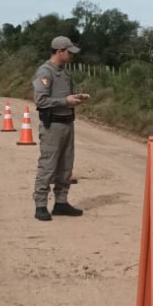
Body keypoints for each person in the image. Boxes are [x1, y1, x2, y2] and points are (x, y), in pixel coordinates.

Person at [32, 36, 89, 221]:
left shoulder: (65, 73)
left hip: (67, 123)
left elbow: (68, 95)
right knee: (48, 165)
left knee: (66, 165)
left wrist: (77, 97)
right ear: (59, 51)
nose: (71, 55)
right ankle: (41, 204)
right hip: (52, 125)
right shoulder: (45, 72)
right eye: (69, 52)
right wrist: (65, 101)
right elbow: (40, 100)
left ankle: (61, 202)